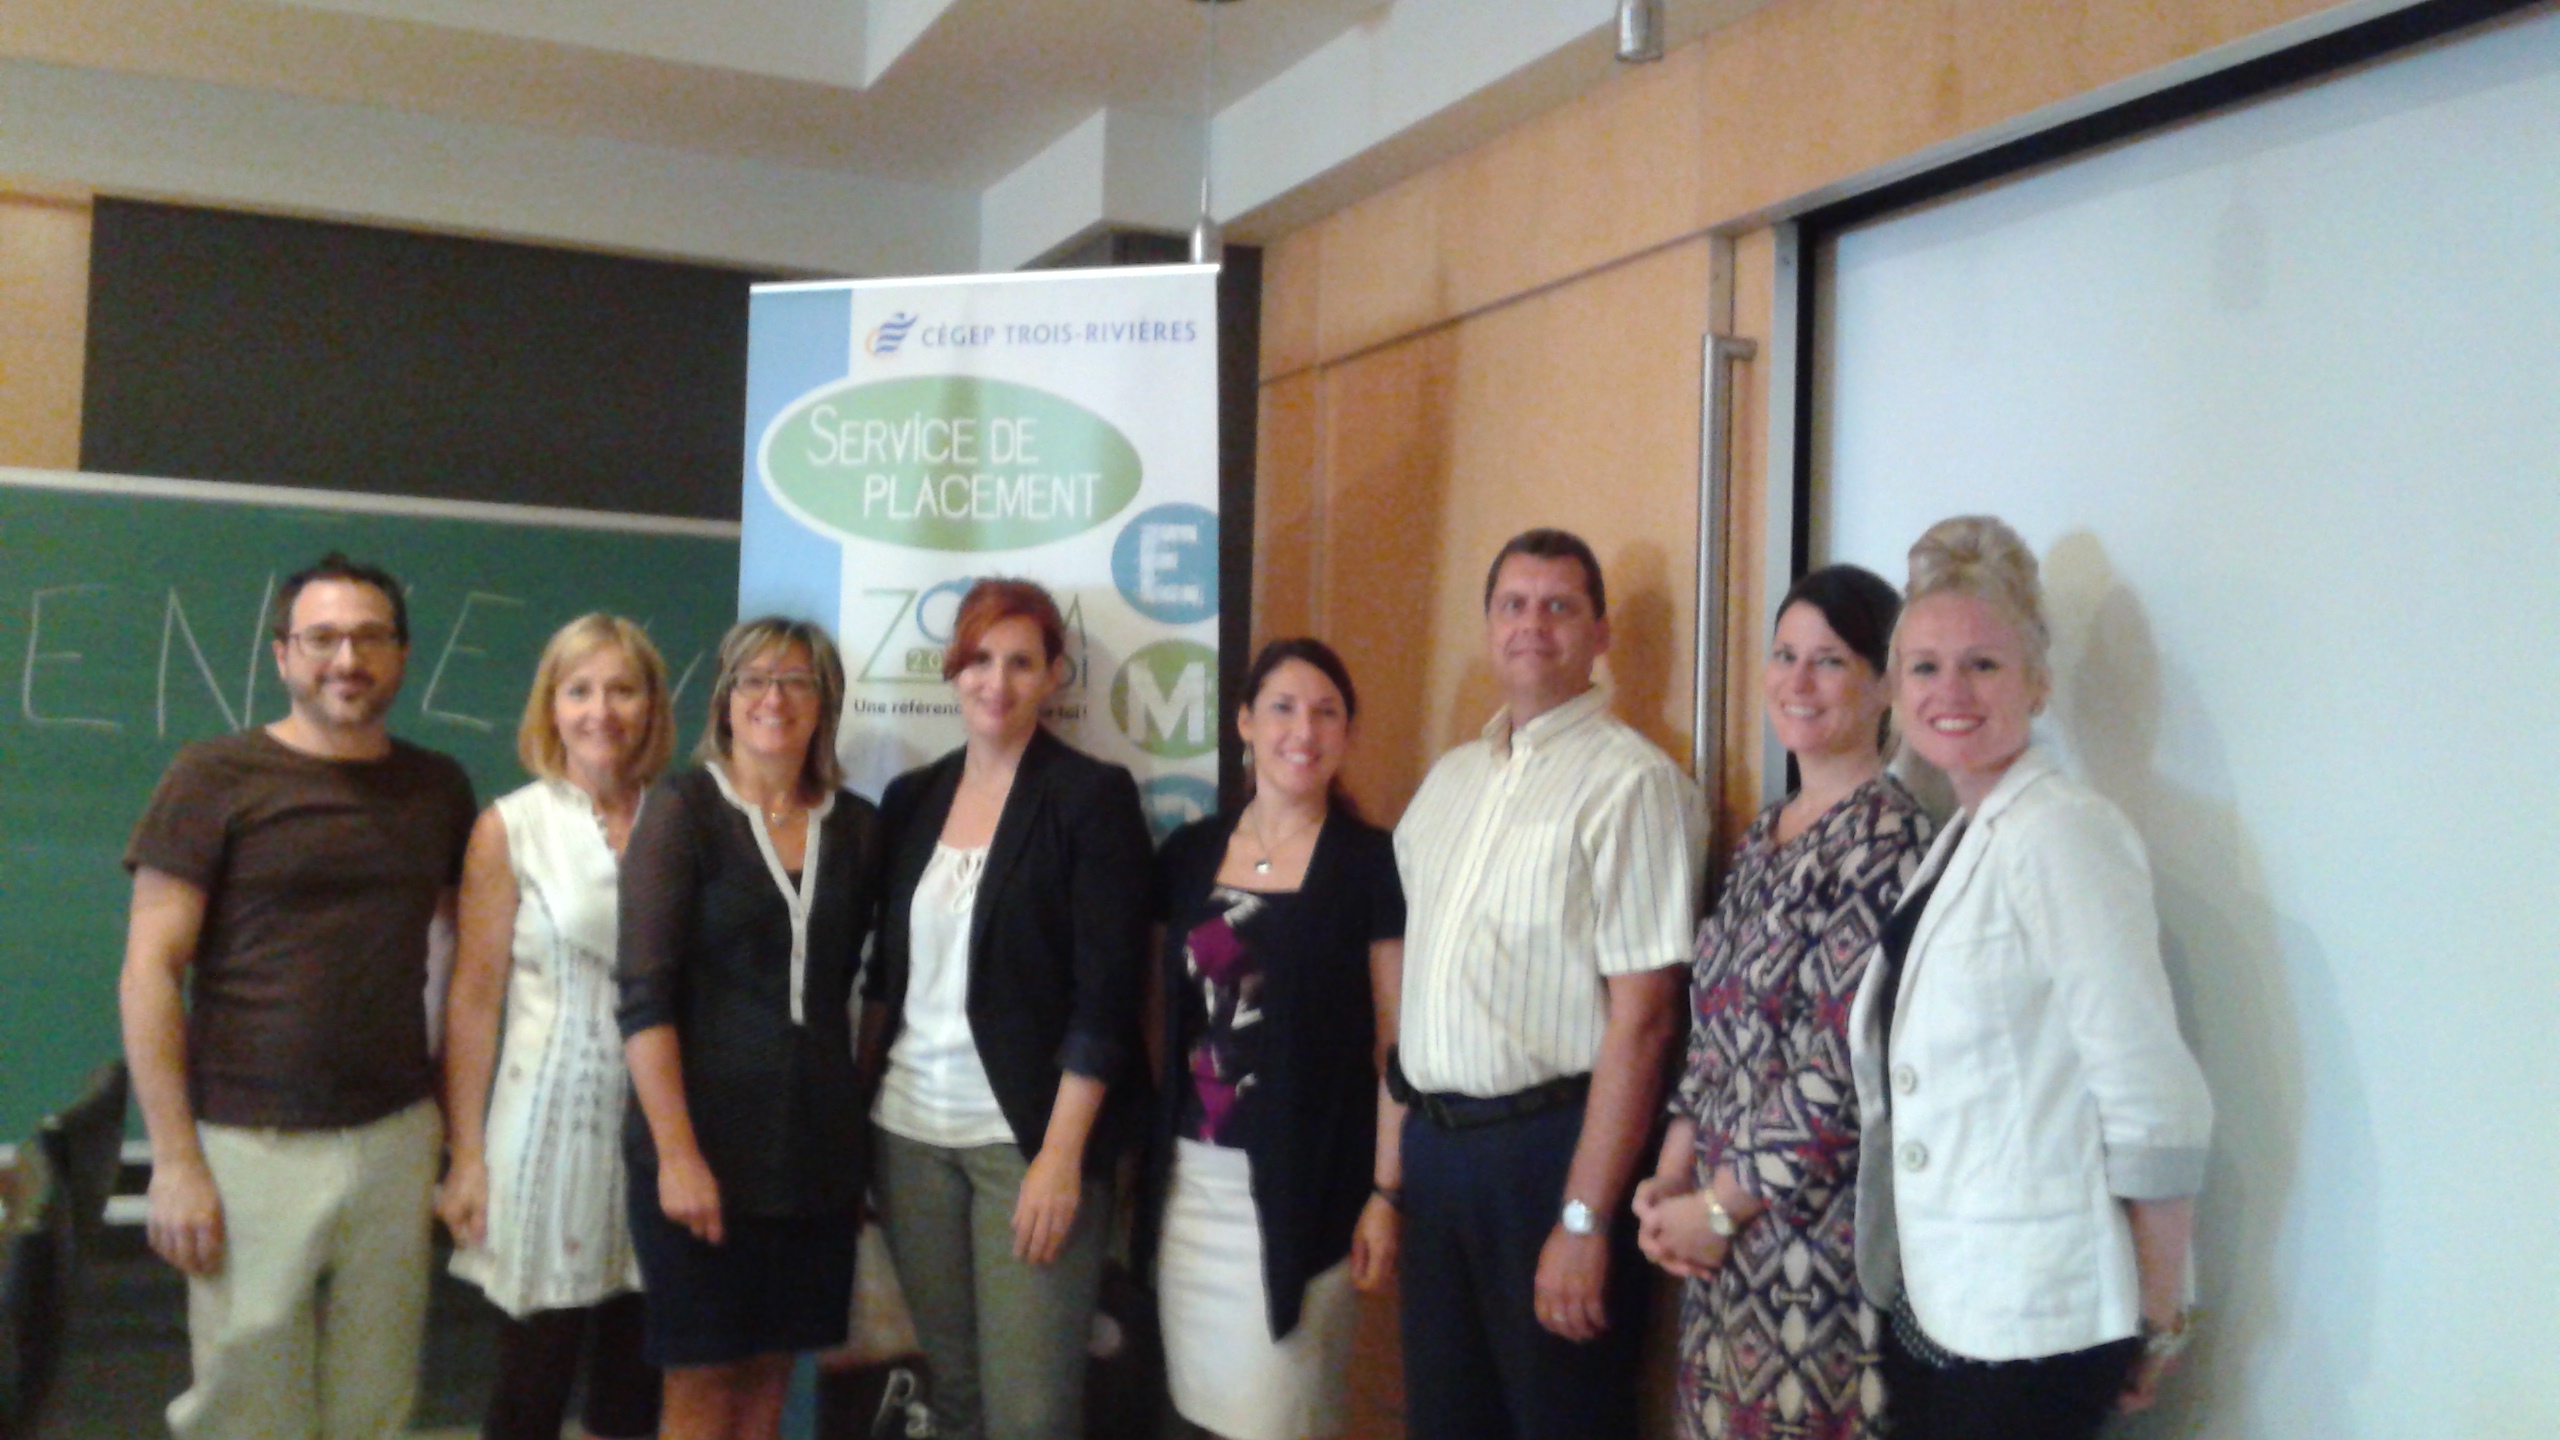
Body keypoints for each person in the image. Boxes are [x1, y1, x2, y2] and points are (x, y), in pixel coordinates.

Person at [1849, 516, 2213, 1440]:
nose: (1950, 691)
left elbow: (2149, 1092)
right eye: (1924, 667)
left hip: (2032, 1326)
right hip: (1942, 1307)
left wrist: (2158, 1317)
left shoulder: (2063, 831)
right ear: (1894, 688)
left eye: (1984, 664)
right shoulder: (1967, 834)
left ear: (2038, 682)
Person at [119, 551, 479, 1440]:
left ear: (401, 655)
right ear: (282, 655)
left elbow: (460, 962)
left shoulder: (438, 786)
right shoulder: (212, 777)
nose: (345, 659)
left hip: (396, 1138)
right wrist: (173, 1160)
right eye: (321, 638)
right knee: (248, 1409)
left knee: (377, 1403)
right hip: (248, 1145)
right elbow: (148, 973)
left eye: (368, 638)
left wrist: (455, 1140)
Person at [1390, 528, 1705, 1440]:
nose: (1534, 624)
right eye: (1513, 605)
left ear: (1599, 634)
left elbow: (1645, 1025)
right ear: (1489, 626)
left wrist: (1582, 1217)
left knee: (1560, 1419)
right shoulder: (1447, 784)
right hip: (1440, 1153)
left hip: (1551, 1156)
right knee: (1447, 1422)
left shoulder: (1632, 784)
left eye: (1560, 606)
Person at [1632, 565, 1933, 1440]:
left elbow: (1839, 1070)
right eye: (1784, 655)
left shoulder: (1891, 841)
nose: (1798, 682)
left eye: (1830, 661)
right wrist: (1669, 1178)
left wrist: (1719, 1206)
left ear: (1882, 685)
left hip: (1816, 1255)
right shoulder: (1766, 832)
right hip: (1719, 1250)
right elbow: (1715, 1033)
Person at [856, 578, 1152, 1440]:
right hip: (908, 1138)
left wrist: (1060, 1158)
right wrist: (854, 1113)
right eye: (980, 658)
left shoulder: (1090, 797)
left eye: (1021, 662)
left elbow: (1106, 996)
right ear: (953, 669)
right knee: (956, 1395)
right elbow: (886, 979)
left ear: (1054, 675)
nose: (997, 680)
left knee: (1030, 1411)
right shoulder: (913, 800)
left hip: (1025, 1145)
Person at [615, 616, 880, 1440]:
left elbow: (877, 987)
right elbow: (644, 997)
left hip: (814, 1155)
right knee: (701, 1387)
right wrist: (677, 1155)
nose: (774, 696)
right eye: (755, 679)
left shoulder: (861, 826)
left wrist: (854, 1114)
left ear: (824, 704)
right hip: (704, 1149)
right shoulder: (684, 807)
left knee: (769, 1382)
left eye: (797, 680)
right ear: (726, 700)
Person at [1145, 638, 1406, 1440]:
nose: (1305, 730)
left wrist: (1386, 1195)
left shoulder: (1370, 863)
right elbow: (1156, 1012)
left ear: (1347, 735)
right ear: (1245, 724)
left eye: (1327, 712)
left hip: (1309, 1189)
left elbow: (1399, 1043)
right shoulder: (1188, 854)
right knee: (1195, 1415)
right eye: (1284, 708)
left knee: (1282, 1419)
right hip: (1192, 1190)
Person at [438, 614, 675, 1440]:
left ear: (651, 705)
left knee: (634, 1390)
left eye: (622, 689)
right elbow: (473, 998)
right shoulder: (512, 825)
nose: (600, 710)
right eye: (579, 690)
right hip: (546, 1137)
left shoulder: (683, 818)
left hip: (660, 1137)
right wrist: (464, 1156)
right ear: (551, 705)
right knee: (532, 1386)